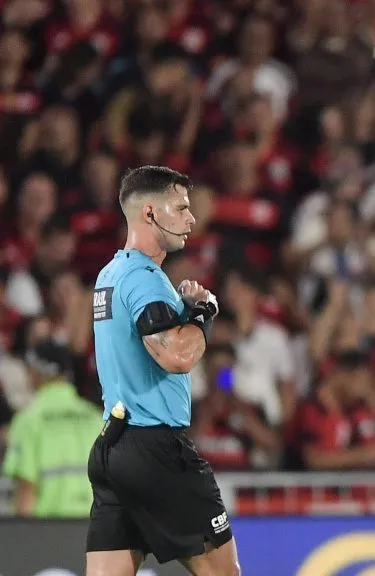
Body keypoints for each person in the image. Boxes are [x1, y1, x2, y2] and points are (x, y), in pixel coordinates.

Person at [85, 166, 240, 576]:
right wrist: (204, 313)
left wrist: (184, 313)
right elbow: (176, 355)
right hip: (155, 448)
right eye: (182, 208)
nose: (192, 219)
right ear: (150, 213)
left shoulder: (110, 274)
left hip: (112, 447)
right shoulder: (145, 278)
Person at [2, 340, 103, 518]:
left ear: (36, 372)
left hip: (47, 528)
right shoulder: (96, 418)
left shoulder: (28, 421)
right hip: (93, 524)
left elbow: (26, 491)